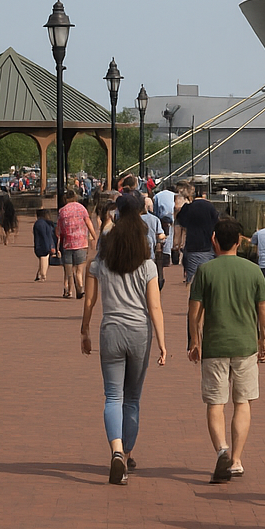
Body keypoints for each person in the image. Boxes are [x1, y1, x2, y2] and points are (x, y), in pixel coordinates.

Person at [82, 208, 167, 485]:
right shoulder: (148, 266)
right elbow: (155, 307)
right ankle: (128, 452)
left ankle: (116, 451)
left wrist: (84, 330)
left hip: (111, 331)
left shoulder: (99, 263)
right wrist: (162, 343)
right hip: (139, 332)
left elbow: (89, 301)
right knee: (132, 399)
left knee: (112, 396)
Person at [187, 216, 265, 484]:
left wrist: (195, 340)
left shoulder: (205, 271)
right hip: (245, 345)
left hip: (214, 345)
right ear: (238, 242)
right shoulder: (253, 271)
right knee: (242, 402)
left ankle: (221, 450)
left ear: (214, 240)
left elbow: (194, 312)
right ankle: (236, 460)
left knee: (216, 402)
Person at [175, 182, 219, 285]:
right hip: (208, 245)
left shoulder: (188, 207)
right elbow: (217, 224)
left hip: (193, 246)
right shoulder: (210, 207)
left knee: (193, 279)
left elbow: (181, 222)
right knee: (209, 278)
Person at [58, 190, 98, 300]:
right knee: (79, 269)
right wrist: (94, 236)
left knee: (68, 270)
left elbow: (59, 229)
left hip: (67, 243)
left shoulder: (62, 211)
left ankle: (68, 290)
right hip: (81, 242)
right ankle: (80, 286)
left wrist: (58, 242)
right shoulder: (81, 208)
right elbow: (88, 223)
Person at [151, 183, 176, 285]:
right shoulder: (174, 195)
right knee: (170, 234)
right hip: (171, 216)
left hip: (161, 216)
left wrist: (157, 219)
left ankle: (162, 254)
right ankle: (168, 255)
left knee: (162, 235)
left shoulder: (157, 195)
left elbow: (155, 209)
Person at [32, 208, 57, 281]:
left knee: (43, 260)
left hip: (40, 244)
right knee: (44, 260)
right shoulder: (48, 223)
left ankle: (40, 274)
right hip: (46, 245)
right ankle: (43, 275)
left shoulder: (39, 223)